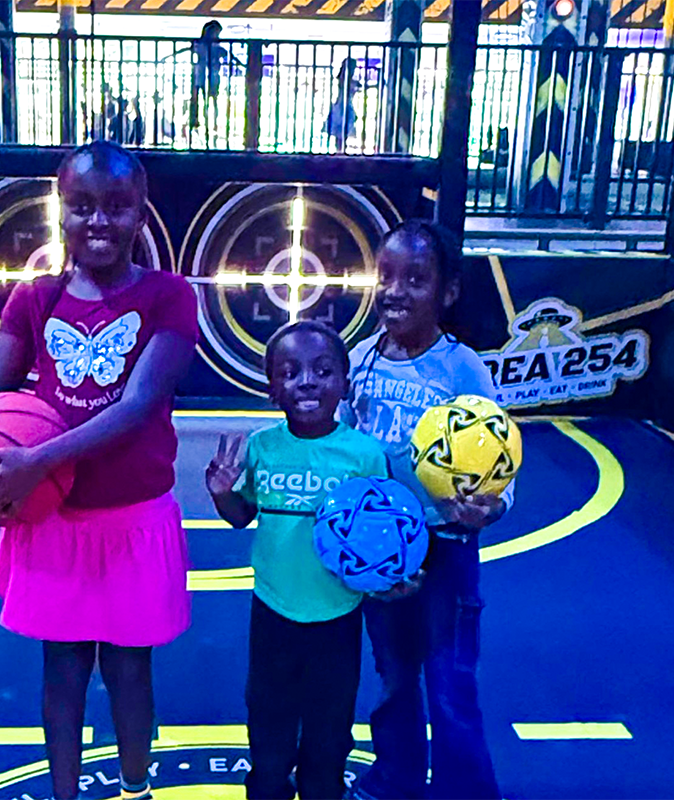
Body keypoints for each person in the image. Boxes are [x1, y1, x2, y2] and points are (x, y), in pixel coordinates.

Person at [0, 141, 199, 800]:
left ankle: (136, 790)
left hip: (134, 519)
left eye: (117, 207)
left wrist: (37, 458)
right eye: (82, 207)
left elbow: (136, 408)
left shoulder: (169, 297)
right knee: (62, 672)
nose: (99, 221)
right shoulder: (34, 299)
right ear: (60, 212)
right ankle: (65, 795)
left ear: (141, 213)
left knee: (131, 673)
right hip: (54, 520)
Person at [206, 320, 422, 800]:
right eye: (290, 372)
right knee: (268, 729)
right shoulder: (263, 447)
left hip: (337, 618)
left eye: (323, 371)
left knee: (328, 736)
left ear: (343, 384)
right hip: (273, 614)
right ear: (271, 387)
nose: (307, 382)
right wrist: (223, 496)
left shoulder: (365, 455)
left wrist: (395, 578)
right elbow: (242, 516)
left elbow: (385, 539)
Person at [340, 220, 511, 800]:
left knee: (450, 687)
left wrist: (490, 507)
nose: (395, 291)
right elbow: (347, 446)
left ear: (448, 292)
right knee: (393, 681)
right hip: (385, 555)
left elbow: (497, 457)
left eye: (415, 279)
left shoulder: (461, 369)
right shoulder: (361, 359)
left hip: (446, 552)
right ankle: (397, 780)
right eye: (386, 276)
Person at [323, 58, 361, 153]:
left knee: (340, 131)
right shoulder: (345, 80)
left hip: (341, 105)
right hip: (343, 105)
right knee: (342, 130)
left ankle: (339, 151)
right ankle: (340, 151)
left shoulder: (342, 78)